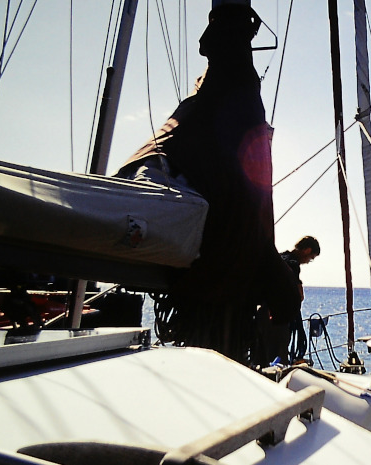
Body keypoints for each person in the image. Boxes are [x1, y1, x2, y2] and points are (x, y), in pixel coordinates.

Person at [115, 2, 300, 364]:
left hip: (209, 284)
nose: (201, 44)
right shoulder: (228, 111)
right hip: (224, 287)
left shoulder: (198, 116)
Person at [255, 236, 320, 366]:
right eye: (311, 258)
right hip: (279, 318)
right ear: (307, 250)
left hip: (265, 313)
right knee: (278, 354)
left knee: (262, 352)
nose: (308, 261)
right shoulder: (292, 265)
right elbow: (294, 291)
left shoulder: (280, 258)